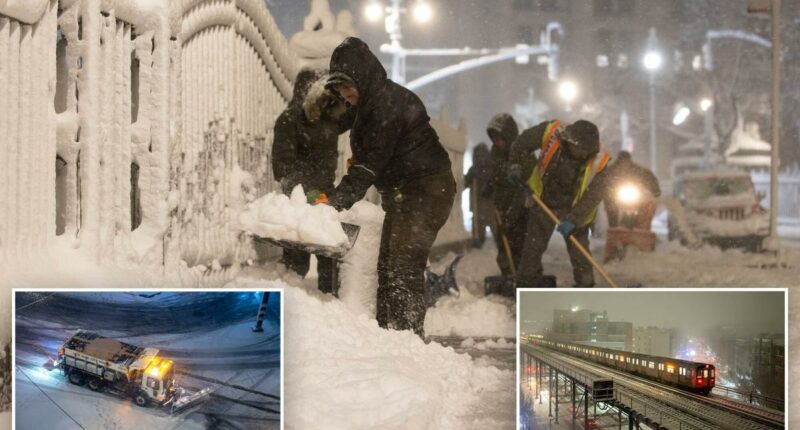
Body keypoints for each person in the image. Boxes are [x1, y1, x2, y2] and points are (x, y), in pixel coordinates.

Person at [324, 37, 455, 337]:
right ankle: (390, 337)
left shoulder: (386, 105)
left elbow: (370, 163)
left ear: (363, 76)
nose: (345, 95)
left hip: (426, 192)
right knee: (388, 268)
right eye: (340, 89)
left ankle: (405, 338)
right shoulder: (372, 102)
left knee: (403, 269)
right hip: (407, 193)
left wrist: (338, 198)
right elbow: (364, 149)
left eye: (348, 86)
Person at [272, 68, 353, 295]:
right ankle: (294, 295)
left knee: (329, 252)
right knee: (298, 253)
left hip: (324, 192)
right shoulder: (290, 120)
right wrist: (304, 193)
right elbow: (282, 164)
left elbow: (354, 113)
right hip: (301, 194)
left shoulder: (328, 120)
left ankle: (328, 298)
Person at [508, 119, 612, 288]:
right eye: (578, 149)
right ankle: (524, 288)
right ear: (569, 140)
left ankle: (585, 290)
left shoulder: (600, 162)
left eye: (586, 151)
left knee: (581, 256)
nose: (582, 154)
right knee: (532, 250)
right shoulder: (551, 133)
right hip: (544, 201)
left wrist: (574, 219)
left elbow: (593, 196)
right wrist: (516, 164)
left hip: (576, 210)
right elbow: (521, 144)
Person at [486, 113, 528, 276]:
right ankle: (508, 274)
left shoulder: (521, 153)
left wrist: (510, 218)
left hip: (520, 208)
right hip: (502, 206)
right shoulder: (495, 152)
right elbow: (495, 172)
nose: (498, 142)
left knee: (519, 244)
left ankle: (522, 275)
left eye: (501, 138)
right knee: (503, 244)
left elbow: (521, 190)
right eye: (495, 138)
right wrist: (490, 185)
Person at [603, 151, 660, 230]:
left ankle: (636, 228)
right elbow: (602, 181)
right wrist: (606, 191)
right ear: (618, 162)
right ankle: (613, 227)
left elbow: (649, 177)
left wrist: (655, 191)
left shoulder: (636, 169)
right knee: (611, 207)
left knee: (640, 206)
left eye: (627, 161)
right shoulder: (611, 171)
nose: (625, 164)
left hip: (632, 193)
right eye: (622, 162)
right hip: (614, 195)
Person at [464, 143, 493, 247]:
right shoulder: (473, 170)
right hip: (478, 205)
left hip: (490, 205)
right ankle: (477, 241)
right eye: (478, 156)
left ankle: (500, 243)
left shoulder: (491, 169)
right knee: (478, 226)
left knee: (494, 225)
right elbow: (465, 183)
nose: (481, 159)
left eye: (482, 156)